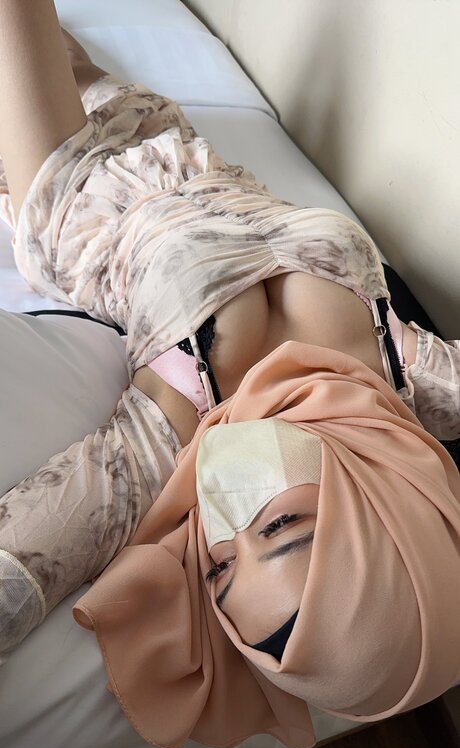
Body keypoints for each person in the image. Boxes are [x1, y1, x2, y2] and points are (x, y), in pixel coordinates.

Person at [0, 0, 459, 699]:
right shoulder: (407, 378)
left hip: (62, 184)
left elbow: (32, 556)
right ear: (384, 507)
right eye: (278, 526)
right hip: (164, 135)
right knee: (70, 49)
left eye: (218, 567)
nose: (221, 520)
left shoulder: (182, 419)